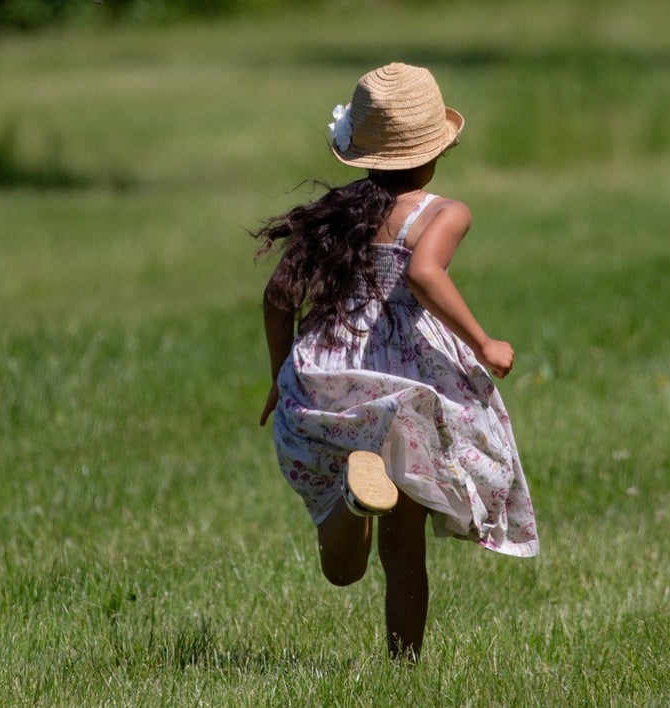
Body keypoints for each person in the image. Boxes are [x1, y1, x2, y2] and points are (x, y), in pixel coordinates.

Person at [254, 62, 538, 661]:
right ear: (435, 150)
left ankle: (355, 500)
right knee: (405, 553)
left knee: (343, 570)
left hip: (333, 377)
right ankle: (403, 671)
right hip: (403, 385)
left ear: (360, 154)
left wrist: (281, 378)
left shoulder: (336, 214)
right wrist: (485, 344)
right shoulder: (441, 213)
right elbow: (423, 271)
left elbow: (279, 297)